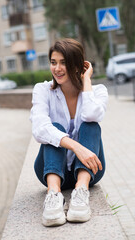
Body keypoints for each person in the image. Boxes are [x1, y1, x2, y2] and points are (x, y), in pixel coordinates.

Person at [30, 38, 108, 227]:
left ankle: (81, 193)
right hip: (49, 171)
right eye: (53, 62)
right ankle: (54, 195)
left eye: (64, 62)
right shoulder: (43, 90)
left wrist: (86, 80)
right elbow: (39, 128)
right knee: (53, 129)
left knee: (91, 125)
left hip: (90, 169)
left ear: (77, 65)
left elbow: (91, 114)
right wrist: (75, 146)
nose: (57, 68)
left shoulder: (98, 91)